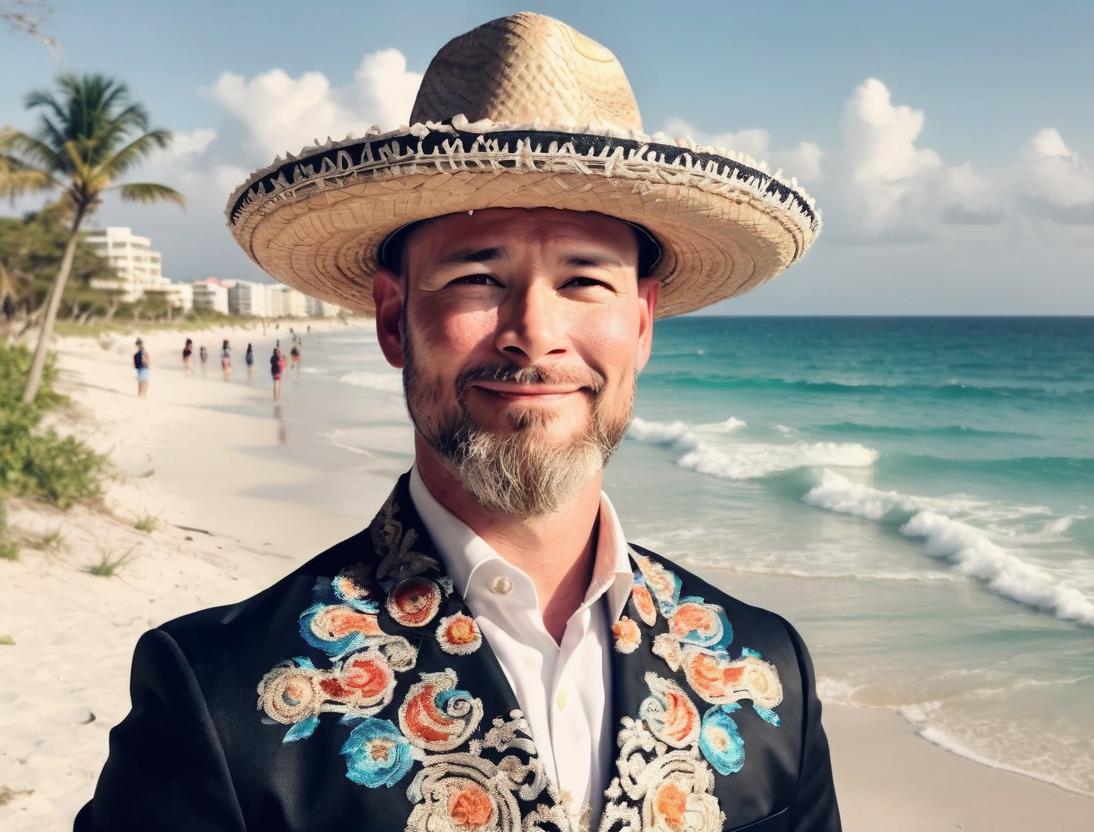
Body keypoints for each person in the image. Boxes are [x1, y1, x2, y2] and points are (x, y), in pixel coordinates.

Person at [76, 13, 836, 832]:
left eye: (584, 280)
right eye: (478, 276)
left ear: (642, 323)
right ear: (393, 317)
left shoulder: (763, 676)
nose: (534, 332)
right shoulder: (218, 695)